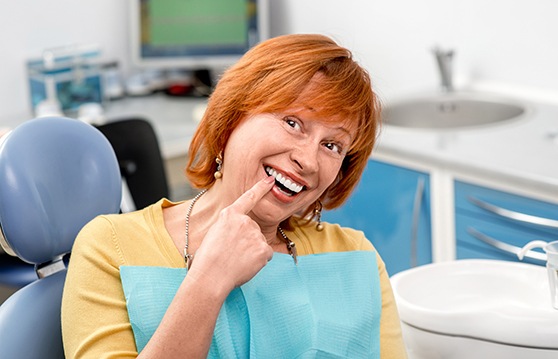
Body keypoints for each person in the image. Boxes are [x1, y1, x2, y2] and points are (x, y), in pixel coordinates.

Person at [61, 33, 407, 358]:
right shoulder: (108, 247)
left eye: (332, 145)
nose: (308, 160)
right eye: (292, 122)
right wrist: (208, 281)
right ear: (231, 121)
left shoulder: (357, 258)